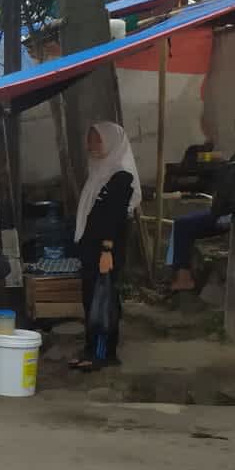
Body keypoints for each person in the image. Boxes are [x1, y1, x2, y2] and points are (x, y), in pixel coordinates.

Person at [71, 122, 140, 371]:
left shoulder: (121, 175)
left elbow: (115, 217)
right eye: (90, 140)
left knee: (104, 302)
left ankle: (103, 354)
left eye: (97, 140)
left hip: (105, 251)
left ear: (112, 142)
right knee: (91, 300)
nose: (92, 146)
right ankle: (91, 349)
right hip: (93, 250)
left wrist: (107, 251)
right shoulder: (99, 171)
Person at [169, 109, 235, 292]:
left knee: (185, 225)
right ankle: (180, 275)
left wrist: (225, 209)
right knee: (180, 225)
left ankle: (180, 277)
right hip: (224, 212)